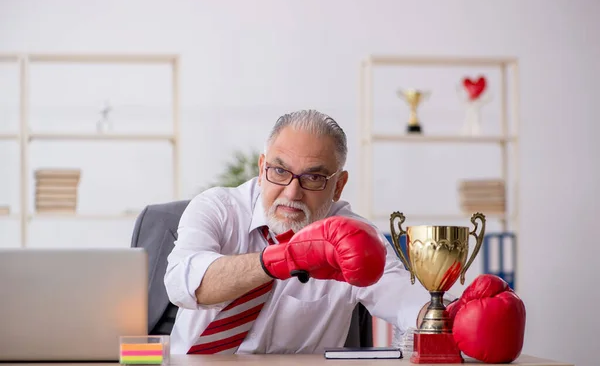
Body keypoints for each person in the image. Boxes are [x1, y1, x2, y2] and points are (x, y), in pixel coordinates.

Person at [164, 109, 525, 359]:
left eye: (314, 178)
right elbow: (183, 282)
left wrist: (458, 316)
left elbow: (400, 297)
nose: (292, 192)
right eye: (279, 171)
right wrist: (283, 259)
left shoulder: (353, 235)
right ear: (262, 168)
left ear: (338, 185)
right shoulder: (217, 208)